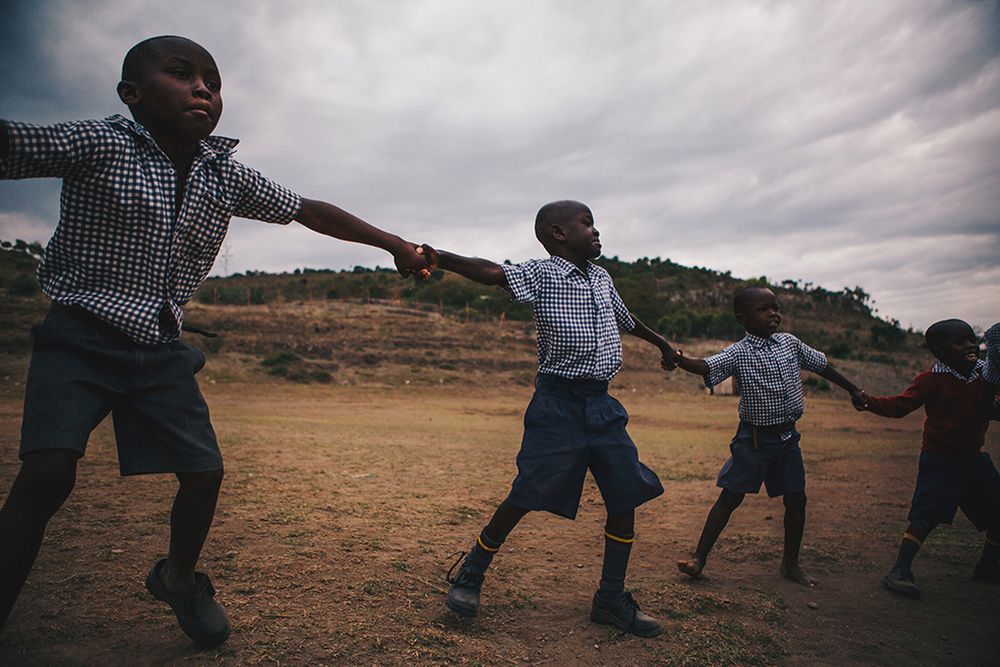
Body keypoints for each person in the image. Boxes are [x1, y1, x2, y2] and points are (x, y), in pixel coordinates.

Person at [0, 35, 431, 646]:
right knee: (46, 476)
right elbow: (13, 143)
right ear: (132, 93)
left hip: (159, 347)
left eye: (214, 80)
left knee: (204, 474)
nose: (204, 87)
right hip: (79, 337)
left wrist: (395, 245)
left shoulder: (224, 174)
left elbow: (308, 210)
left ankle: (178, 579)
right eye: (182, 74)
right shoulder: (99, 141)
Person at [422, 200, 675, 637]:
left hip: (602, 404)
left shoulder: (601, 277)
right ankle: (472, 572)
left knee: (624, 493)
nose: (596, 231)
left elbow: (625, 319)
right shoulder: (542, 273)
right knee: (528, 491)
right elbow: (494, 273)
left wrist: (663, 344)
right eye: (587, 224)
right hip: (557, 403)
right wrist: (441, 258)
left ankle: (611, 599)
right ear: (559, 233)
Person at [668, 286, 866, 586]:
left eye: (775, 307)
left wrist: (852, 388)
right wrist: (680, 359)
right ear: (742, 318)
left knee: (797, 500)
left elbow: (822, 366)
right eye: (764, 309)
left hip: (787, 439)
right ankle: (699, 558)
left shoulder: (790, 343)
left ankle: (791, 565)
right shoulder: (739, 352)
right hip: (754, 440)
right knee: (731, 496)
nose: (774, 314)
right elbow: (707, 366)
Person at [858, 319, 1000, 598]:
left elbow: (992, 409)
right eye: (959, 342)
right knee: (925, 517)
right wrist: (869, 402)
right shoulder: (931, 380)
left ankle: (988, 567)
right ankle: (899, 570)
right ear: (939, 350)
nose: (970, 346)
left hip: (973, 459)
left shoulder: (986, 376)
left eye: (972, 339)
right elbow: (901, 406)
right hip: (941, 460)